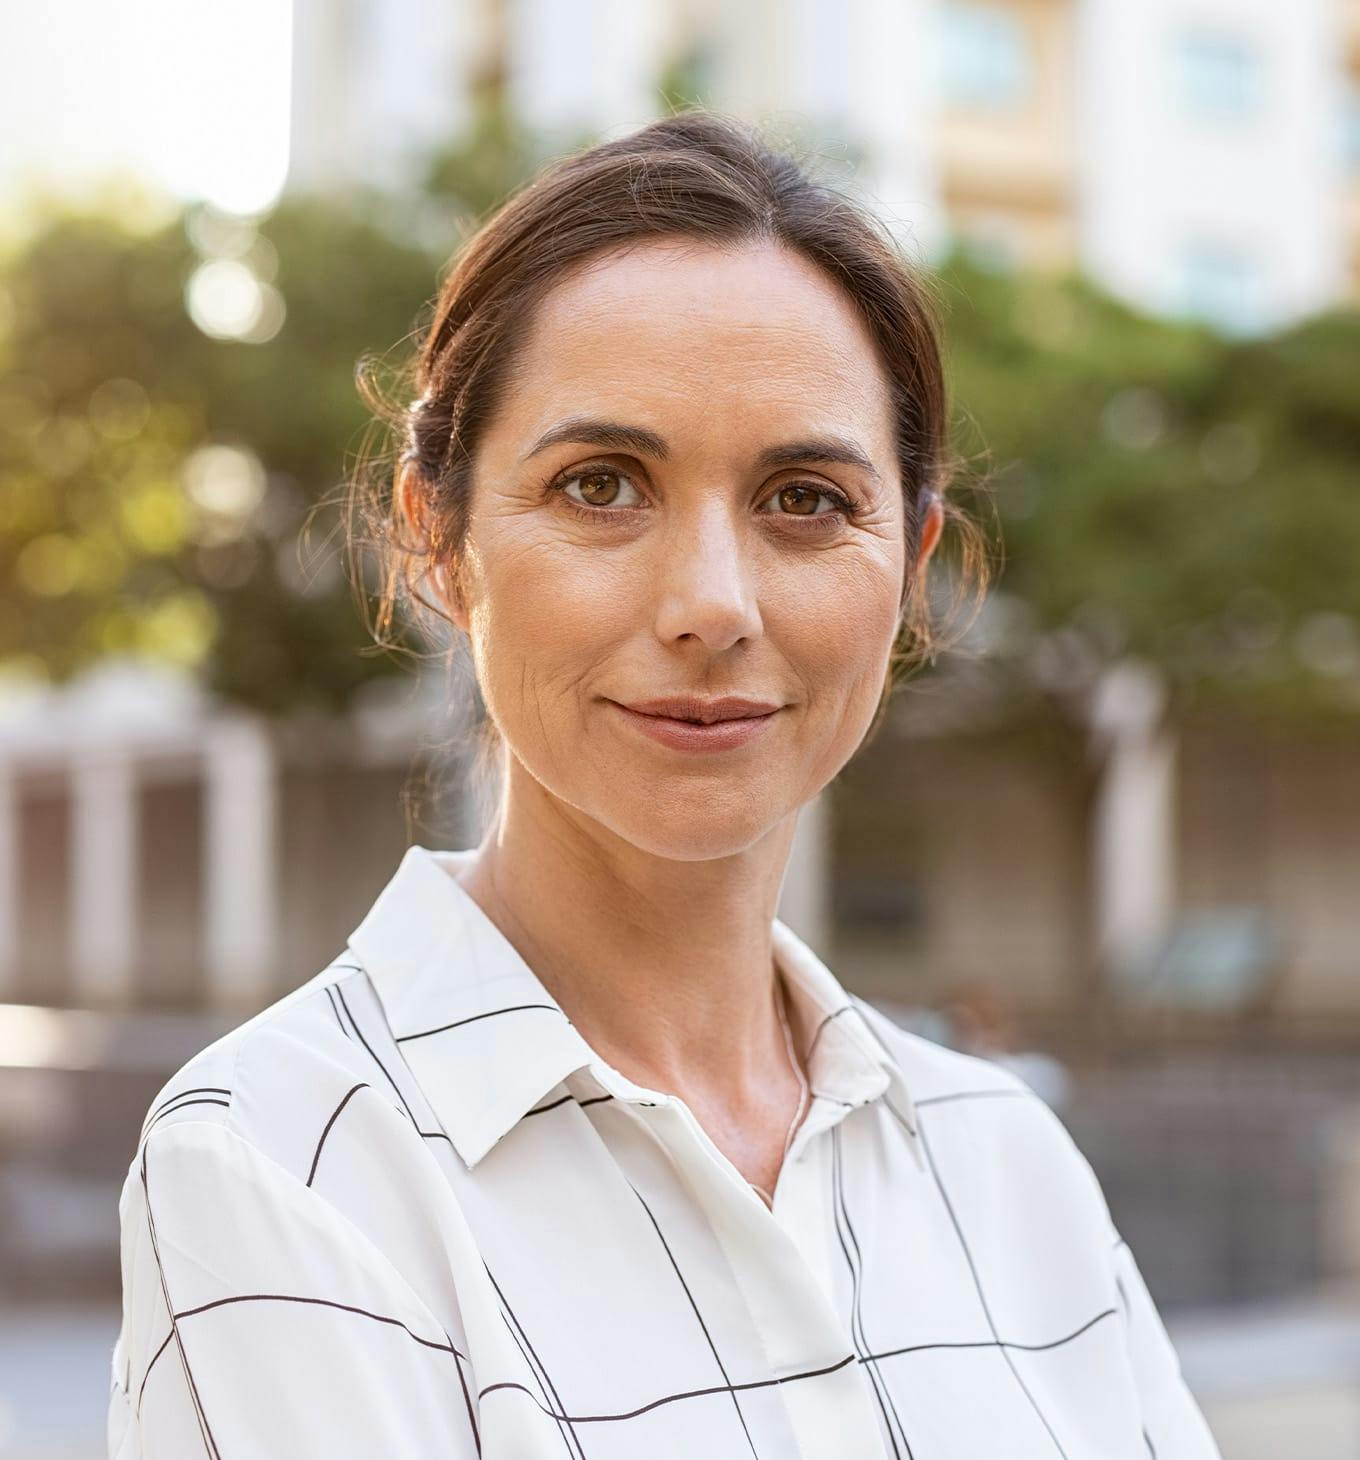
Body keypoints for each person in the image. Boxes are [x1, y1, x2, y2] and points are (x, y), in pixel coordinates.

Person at [107, 110, 1221, 1459]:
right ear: (437, 537)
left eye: (805, 498)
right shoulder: (285, 1159)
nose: (712, 605)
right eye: (600, 484)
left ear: (913, 558)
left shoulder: (1008, 1160)